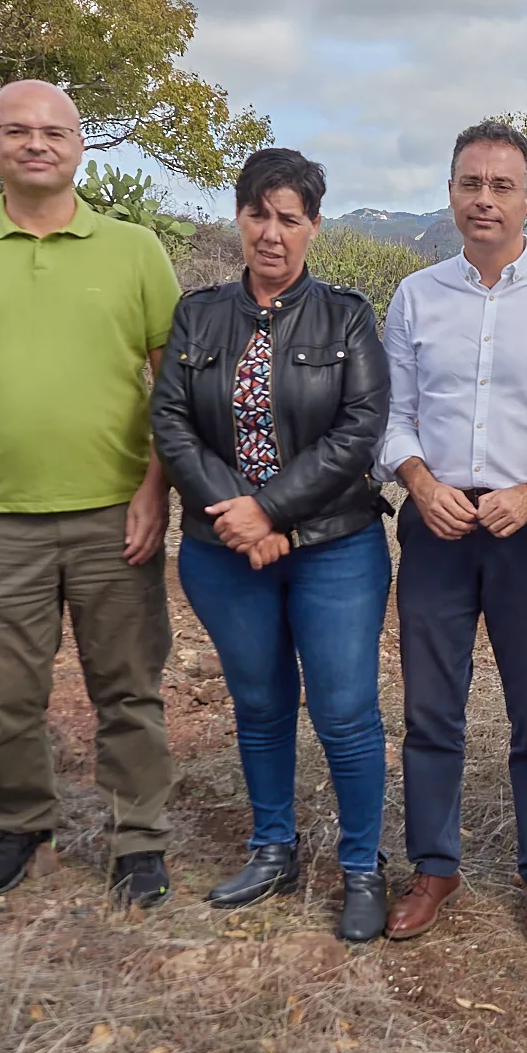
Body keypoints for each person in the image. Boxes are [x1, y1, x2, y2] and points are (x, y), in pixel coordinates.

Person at [0, 80, 180, 907]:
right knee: (2, 690)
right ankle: (19, 827)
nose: (36, 143)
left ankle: (139, 841)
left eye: (54, 131)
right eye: (16, 130)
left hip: (114, 514)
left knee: (129, 687)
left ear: (80, 145)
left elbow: (173, 385)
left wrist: (156, 487)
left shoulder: (135, 250)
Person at [149, 148, 392, 941]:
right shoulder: (198, 315)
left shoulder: (347, 316)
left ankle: (362, 867)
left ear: (314, 226)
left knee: (345, 713)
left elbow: (360, 430)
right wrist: (237, 515)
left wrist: (272, 512)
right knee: (258, 703)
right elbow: (171, 421)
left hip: (335, 546)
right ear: (239, 218)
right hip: (225, 551)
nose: (272, 233)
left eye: (290, 218)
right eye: (258, 215)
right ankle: (273, 849)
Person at [377, 121, 527, 947]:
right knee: (430, 705)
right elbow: (392, 416)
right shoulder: (415, 297)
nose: (484, 199)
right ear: (450, 194)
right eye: (470, 183)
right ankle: (433, 866)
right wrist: (420, 482)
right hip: (437, 523)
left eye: (501, 185)